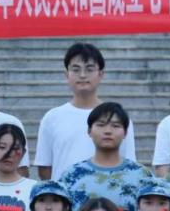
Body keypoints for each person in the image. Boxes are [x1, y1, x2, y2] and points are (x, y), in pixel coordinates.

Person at [35, 42, 137, 179]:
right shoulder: (52, 117)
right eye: (76, 69)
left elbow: (129, 164)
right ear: (66, 74)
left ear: (101, 74)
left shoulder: (118, 117)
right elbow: (45, 168)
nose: (82, 75)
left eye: (89, 69)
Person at [56, 102, 150, 211]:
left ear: (125, 133)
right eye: (100, 125)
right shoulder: (72, 175)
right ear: (89, 131)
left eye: (115, 126)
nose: (107, 131)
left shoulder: (142, 175)